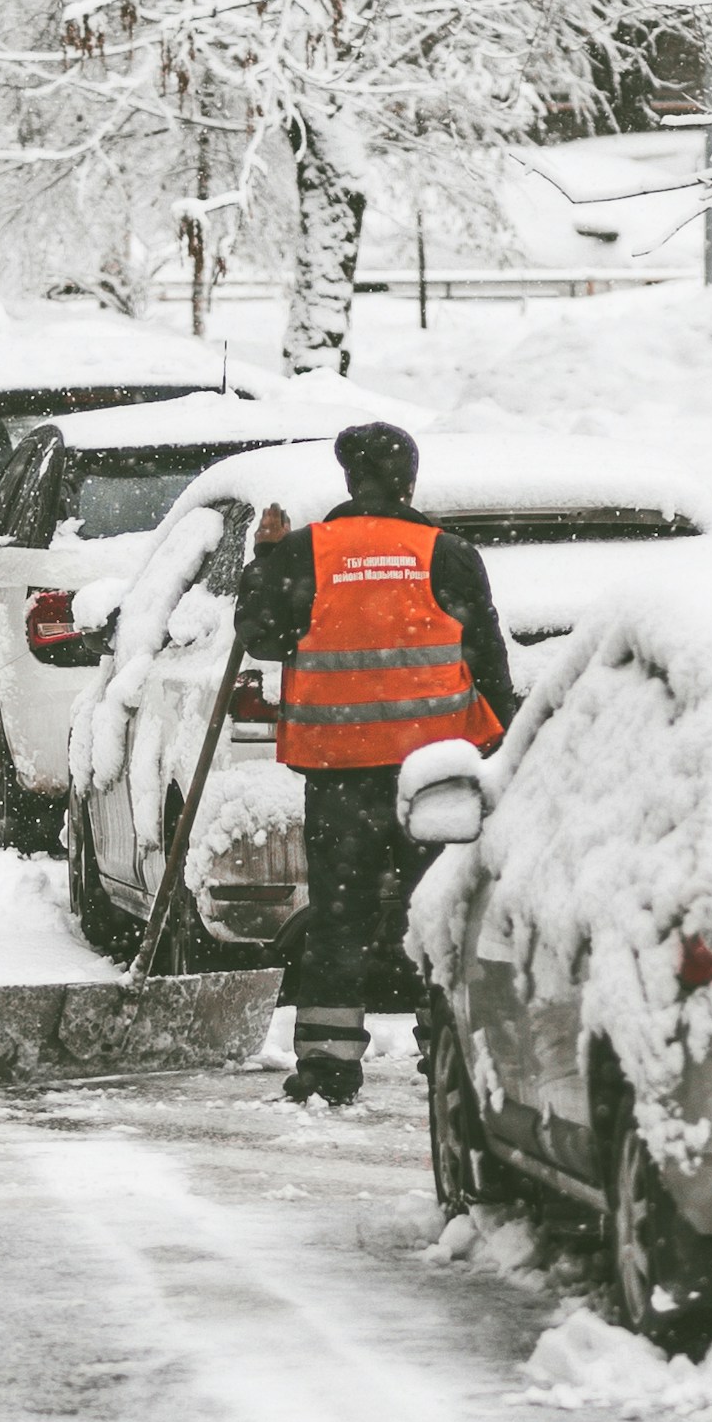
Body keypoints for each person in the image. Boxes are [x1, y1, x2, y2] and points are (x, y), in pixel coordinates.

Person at [233, 421, 516, 1106]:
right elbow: (487, 660)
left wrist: (265, 561)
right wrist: (501, 743)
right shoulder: (445, 554)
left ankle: (328, 1069)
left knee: (340, 919)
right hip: (434, 777)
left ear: (348, 479)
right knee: (442, 915)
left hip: (340, 775)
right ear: (409, 482)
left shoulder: (309, 554)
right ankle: (452, 1055)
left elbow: (263, 638)